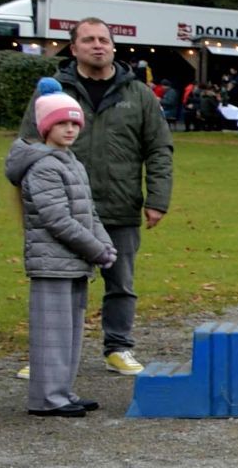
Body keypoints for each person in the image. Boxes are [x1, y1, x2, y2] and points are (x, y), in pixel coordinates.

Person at [24, 18, 174, 375]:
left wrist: (157, 198)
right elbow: (29, 145)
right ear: (73, 48)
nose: (98, 46)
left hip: (119, 203)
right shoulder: (52, 91)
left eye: (104, 40)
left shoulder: (137, 93)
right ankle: (48, 357)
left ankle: (118, 348)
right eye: (88, 40)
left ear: (113, 47)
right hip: (62, 209)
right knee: (59, 286)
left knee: (121, 284)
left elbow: (159, 148)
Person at [8, 81, 117, 417]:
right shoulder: (43, 166)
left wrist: (105, 243)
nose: (70, 129)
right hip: (51, 262)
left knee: (69, 333)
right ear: (45, 128)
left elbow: (89, 212)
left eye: (74, 123)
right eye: (62, 123)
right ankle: (46, 399)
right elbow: (57, 219)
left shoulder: (70, 161)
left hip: (74, 261)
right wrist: (96, 249)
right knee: (50, 335)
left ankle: (62, 391)